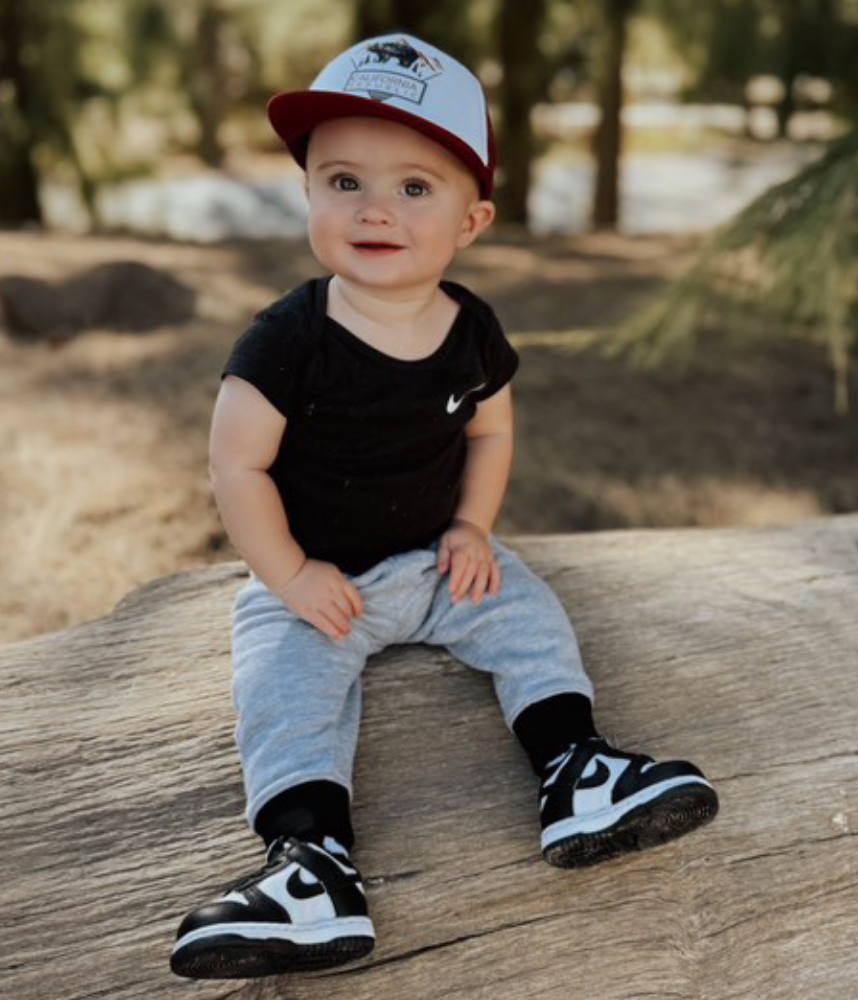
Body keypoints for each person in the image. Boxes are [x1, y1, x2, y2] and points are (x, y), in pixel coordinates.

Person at [169, 32, 719, 981]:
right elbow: (236, 468)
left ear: (472, 220)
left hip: (432, 560)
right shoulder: (286, 342)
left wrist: (469, 527)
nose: (375, 207)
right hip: (317, 577)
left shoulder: (472, 329)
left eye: (414, 188)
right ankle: (310, 865)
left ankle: (574, 768)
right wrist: (289, 574)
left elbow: (490, 435)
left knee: (526, 611)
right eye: (343, 180)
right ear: (307, 195)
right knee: (282, 692)